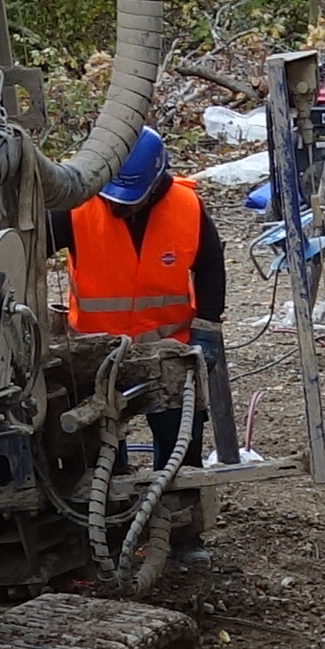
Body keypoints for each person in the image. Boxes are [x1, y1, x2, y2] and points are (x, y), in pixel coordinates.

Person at [62, 124, 229, 498]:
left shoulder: (187, 208)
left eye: (129, 200)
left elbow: (210, 266)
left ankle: (181, 522)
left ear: (155, 184)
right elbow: (23, 247)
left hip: (167, 348)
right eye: (114, 199)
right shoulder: (77, 207)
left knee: (179, 442)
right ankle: (108, 516)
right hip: (94, 353)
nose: (120, 207)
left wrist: (206, 328)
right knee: (97, 445)